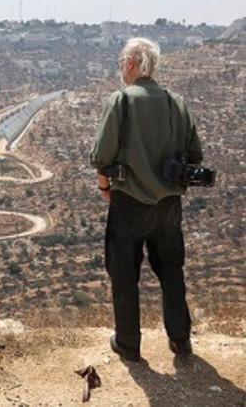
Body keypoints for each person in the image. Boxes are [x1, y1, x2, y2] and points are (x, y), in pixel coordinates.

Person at [90, 37, 203, 362]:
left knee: (124, 271)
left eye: (120, 63)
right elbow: (195, 155)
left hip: (128, 204)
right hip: (168, 207)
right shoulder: (175, 102)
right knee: (171, 269)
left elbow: (102, 156)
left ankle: (128, 344)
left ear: (129, 64)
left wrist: (104, 189)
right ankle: (181, 340)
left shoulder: (120, 102)